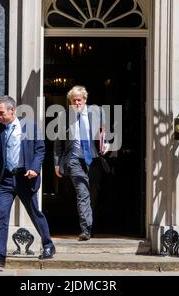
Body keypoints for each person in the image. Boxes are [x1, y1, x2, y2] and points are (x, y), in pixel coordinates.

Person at [0, 96, 55, 268]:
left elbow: (40, 149)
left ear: (12, 111)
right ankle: (0, 255)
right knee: (2, 217)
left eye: (1, 113)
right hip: (5, 180)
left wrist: (35, 168)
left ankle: (48, 245)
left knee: (34, 213)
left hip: (25, 178)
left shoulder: (30, 126)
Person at [54, 86, 108, 241]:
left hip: (94, 159)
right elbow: (58, 143)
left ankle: (90, 225)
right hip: (74, 159)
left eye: (79, 100)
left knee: (92, 195)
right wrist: (57, 163)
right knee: (82, 193)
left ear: (85, 99)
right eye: (73, 101)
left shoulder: (97, 112)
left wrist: (107, 144)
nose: (76, 103)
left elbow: (106, 134)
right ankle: (85, 229)